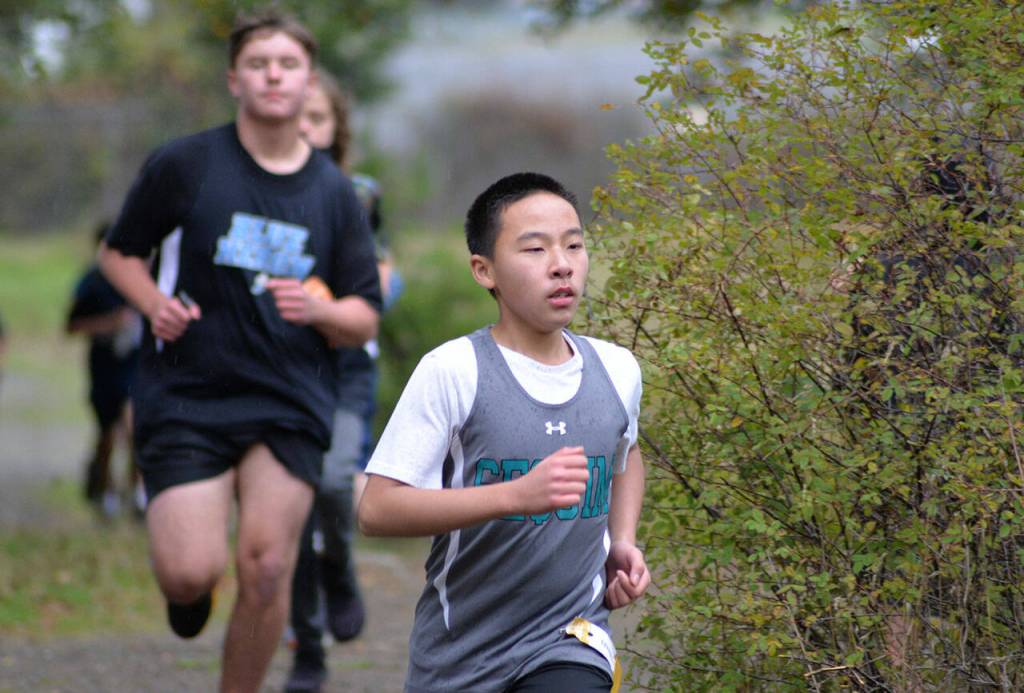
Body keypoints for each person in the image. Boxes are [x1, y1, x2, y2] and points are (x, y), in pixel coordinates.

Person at [97, 9, 381, 693]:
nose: (274, 75)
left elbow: (364, 314)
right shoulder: (186, 163)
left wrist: (319, 309)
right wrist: (153, 304)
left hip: (289, 399)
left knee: (265, 568)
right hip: (189, 393)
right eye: (259, 64)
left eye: (287, 64)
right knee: (192, 570)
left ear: (309, 80)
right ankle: (188, 593)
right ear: (235, 79)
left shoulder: (336, 193)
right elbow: (119, 254)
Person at [358, 172, 650, 692]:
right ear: (484, 269)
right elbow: (378, 510)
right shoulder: (454, 370)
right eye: (535, 249)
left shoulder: (617, 369)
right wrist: (513, 496)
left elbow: (624, 456)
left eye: (575, 245)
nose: (562, 264)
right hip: (460, 656)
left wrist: (621, 541)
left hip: (571, 637)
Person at [284, 68, 403, 692]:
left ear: (337, 128)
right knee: (290, 514)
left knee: (334, 484)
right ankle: (308, 648)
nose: (305, 128)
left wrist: (370, 295)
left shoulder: (359, 194)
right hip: (276, 372)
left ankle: (340, 566)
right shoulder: (258, 193)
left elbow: (384, 273)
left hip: (346, 370)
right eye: (297, 116)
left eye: (317, 118)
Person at [66, 222, 143, 518]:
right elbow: (71, 326)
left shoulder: (142, 278)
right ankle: (104, 489)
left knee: (135, 428)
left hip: (135, 368)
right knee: (107, 434)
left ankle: (137, 492)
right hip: (105, 368)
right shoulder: (92, 282)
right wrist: (110, 324)